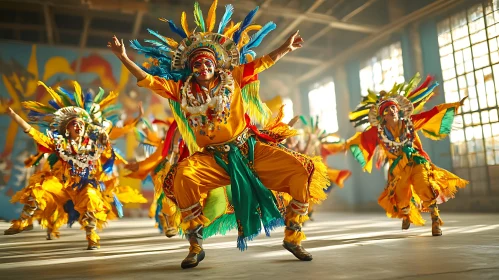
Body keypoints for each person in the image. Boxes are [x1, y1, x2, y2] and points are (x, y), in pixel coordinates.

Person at [109, 0, 330, 269]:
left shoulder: (233, 77)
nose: (203, 67)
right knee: (182, 176)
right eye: (198, 64)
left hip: (249, 150)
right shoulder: (181, 90)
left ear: (216, 64)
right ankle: (194, 246)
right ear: (192, 68)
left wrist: (286, 47)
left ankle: (294, 236)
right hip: (212, 158)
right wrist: (124, 58)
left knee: (300, 169)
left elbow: (262, 63)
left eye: (208, 62)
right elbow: (150, 81)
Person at [4, 82, 134, 249]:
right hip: (61, 183)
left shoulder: (94, 143)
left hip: (83, 185)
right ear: (67, 129)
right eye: (74, 124)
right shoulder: (59, 144)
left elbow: (108, 143)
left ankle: (92, 237)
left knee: (91, 198)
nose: (78, 126)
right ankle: (21, 222)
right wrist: (14, 115)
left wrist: (105, 135)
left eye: (81, 123)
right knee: (40, 187)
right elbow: (34, 133)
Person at [346, 74, 468, 235]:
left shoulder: (410, 122)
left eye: (393, 107)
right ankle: (406, 214)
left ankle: (435, 220)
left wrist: (454, 105)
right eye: (387, 109)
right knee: (401, 194)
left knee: (424, 185)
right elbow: (361, 140)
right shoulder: (378, 132)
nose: (391, 110)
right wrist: (347, 145)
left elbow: (430, 114)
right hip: (398, 168)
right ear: (383, 116)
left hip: (417, 160)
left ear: (398, 110)